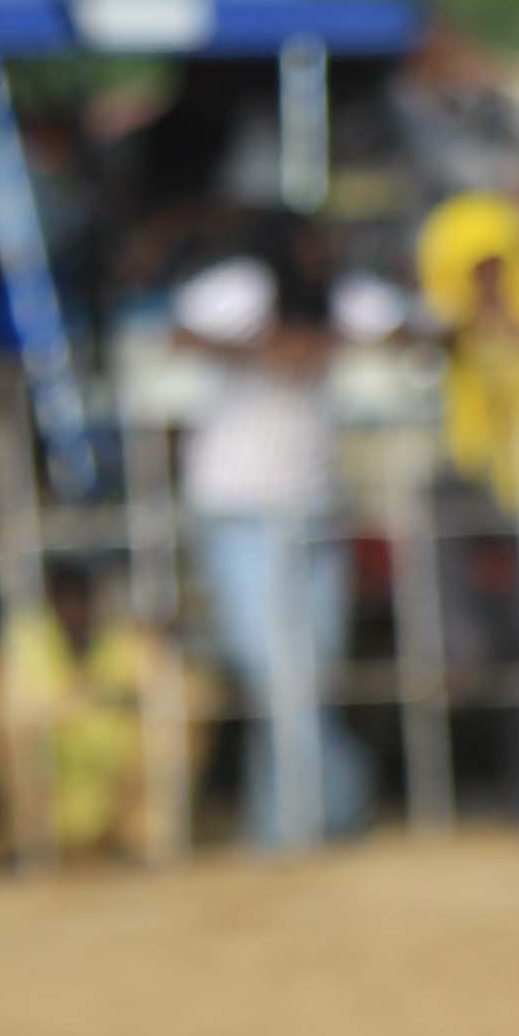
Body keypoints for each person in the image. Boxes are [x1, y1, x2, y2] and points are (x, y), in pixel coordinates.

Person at [169, 238, 366, 846]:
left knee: (314, 671)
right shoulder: (237, 286)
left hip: (314, 508)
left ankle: (300, 814)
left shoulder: (343, 293)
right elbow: (177, 336)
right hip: (238, 511)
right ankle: (306, 815)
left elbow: (406, 327)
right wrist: (268, 346)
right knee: (271, 671)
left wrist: (321, 342)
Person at [0, 549, 184, 860]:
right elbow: (1, 711)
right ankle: (30, 842)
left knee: (171, 725)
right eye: (64, 596)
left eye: (82, 596)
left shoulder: (123, 637)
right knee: (5, 731)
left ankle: (141, 836)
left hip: (118, 794)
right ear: (49, 600)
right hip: (48, 797)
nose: (75, 608)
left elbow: (177, 689)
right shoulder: (21, 642)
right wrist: (90, 698)